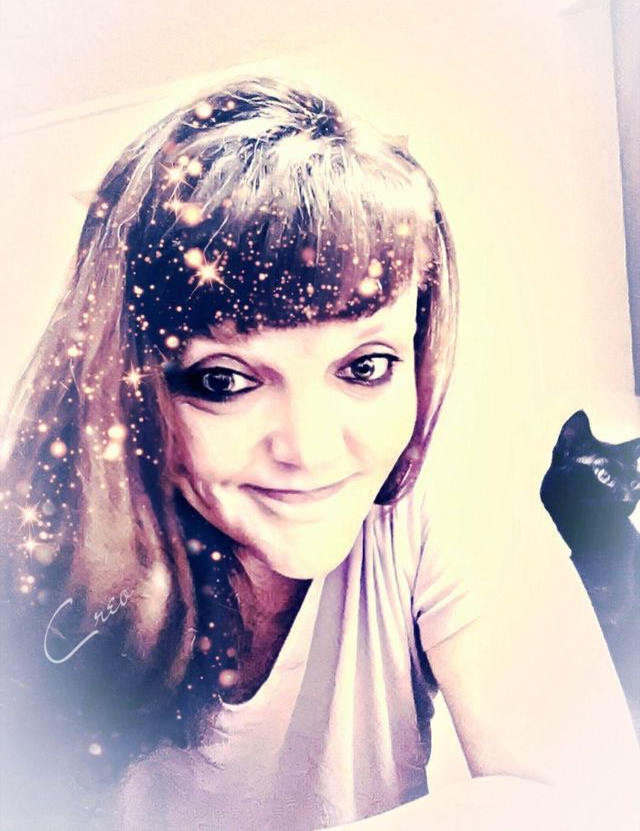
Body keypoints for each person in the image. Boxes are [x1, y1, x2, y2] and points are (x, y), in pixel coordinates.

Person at [0, 77, 638, 831]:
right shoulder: (34, 561)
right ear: (126, 388)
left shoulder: (434, 496)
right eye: (225, 380)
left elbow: (590, 802)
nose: (309, 449)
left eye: (365, 367)